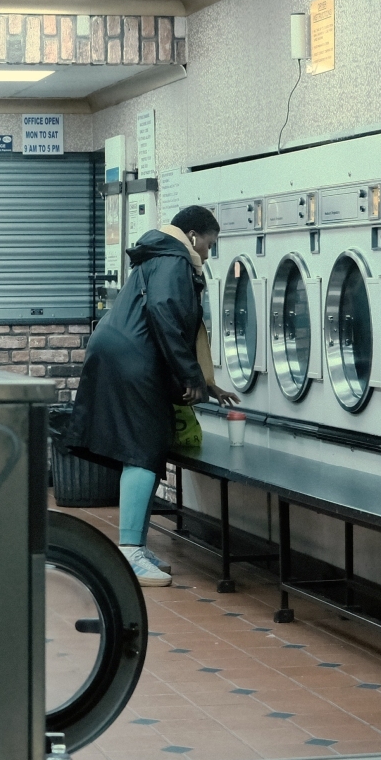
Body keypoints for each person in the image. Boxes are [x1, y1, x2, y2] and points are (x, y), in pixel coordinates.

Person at [68, 205, 239, 586]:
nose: (209, 255)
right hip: (134, 361)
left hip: (123, 355)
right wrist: (189, 376)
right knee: (142, 450)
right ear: (194, 237)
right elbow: (164, 313)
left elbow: (169, 322)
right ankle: (129, 553)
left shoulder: (161, 255)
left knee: (146, 447)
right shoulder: (175, 261)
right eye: (210, 246)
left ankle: (137, 547)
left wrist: (204, 381)